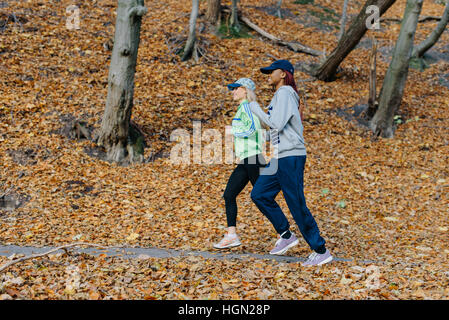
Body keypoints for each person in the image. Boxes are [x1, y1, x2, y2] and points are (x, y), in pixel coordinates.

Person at [248, 60, 333, 266]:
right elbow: (276, 130)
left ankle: (320, 250)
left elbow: (275, 124)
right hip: (280, 157)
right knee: (259, 194)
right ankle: (286, 235)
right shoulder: (280, 97)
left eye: (272, 71)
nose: (268, 74)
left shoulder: (285, 93)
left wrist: (253, 104)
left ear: (284, 74)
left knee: (296, 203)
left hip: (291, 157)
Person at [214, 78, 266, 249]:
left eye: (236, 88)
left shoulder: (247, 107)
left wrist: (234, 131)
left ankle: (285, 233)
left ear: (245, 90)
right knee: (229, 195)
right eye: (232, 89)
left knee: (264, 197)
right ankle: (231, 235)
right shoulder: (243, 108)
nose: (233, 92)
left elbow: (251, 128)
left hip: (253, 158)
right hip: (246, 159)